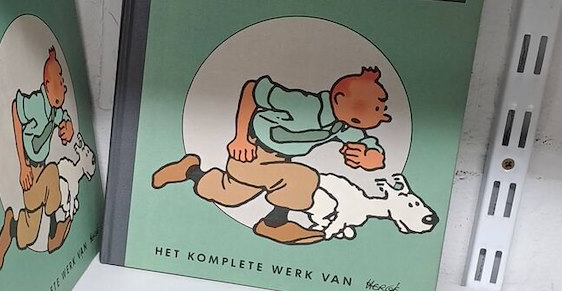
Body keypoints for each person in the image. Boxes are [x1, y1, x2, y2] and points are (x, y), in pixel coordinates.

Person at [152, 67, 391, 244]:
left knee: (228, 194)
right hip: (252, 151)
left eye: (380, 109)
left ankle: (189, 170)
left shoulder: (341, 125)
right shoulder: (303, 105)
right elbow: (252, 89)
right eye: (373, 107)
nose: (380, 115)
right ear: (339, 99)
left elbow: (366, 142)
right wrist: (240, 138)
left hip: (278, 161)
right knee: (301, 178)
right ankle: (274, 224)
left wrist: (373, 157)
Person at [0, 48, 75, 269]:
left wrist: (68, 127)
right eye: (57, 82)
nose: (63, 87)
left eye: (62, 82)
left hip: (41, 168)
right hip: (31, 170)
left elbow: (64, 119)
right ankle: (42, 229)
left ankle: (16, 226)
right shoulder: (36, 103)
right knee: (52, 174)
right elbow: (15, 108)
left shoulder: (55, 109)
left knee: (29, 233)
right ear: (46, 85)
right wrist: (23, 166)